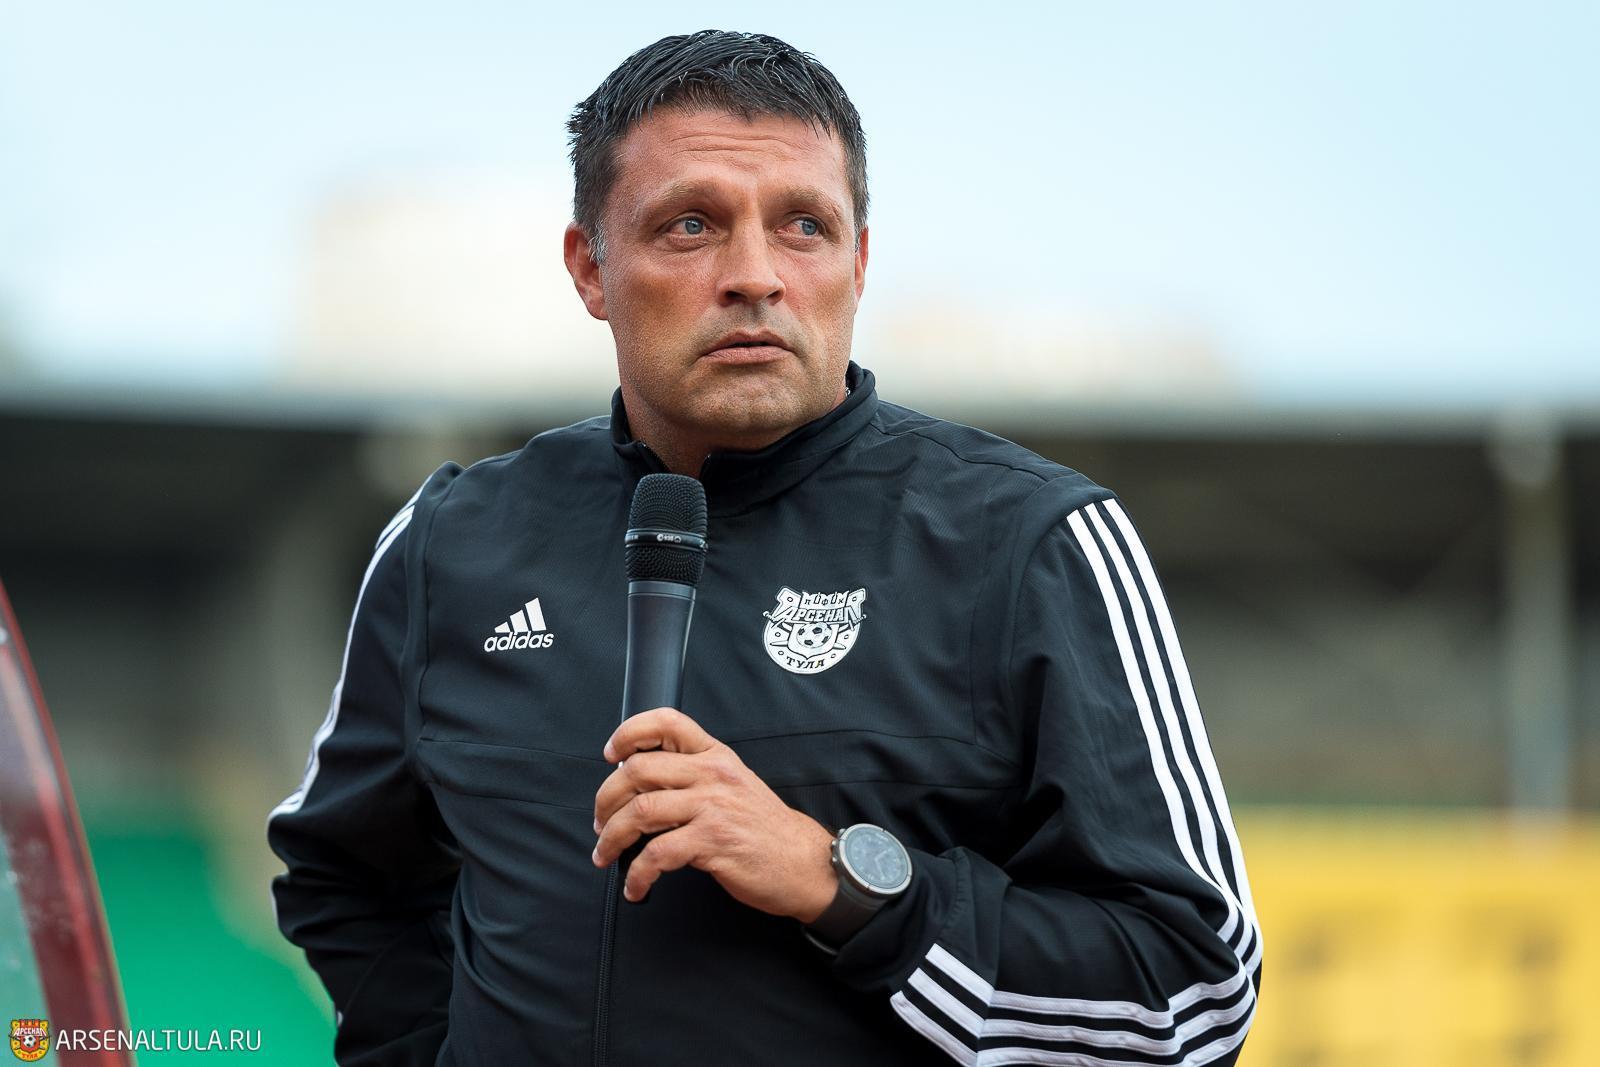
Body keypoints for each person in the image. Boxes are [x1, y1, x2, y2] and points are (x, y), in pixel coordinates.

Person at [268, 29, 1261, 1066]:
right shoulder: (451, 540)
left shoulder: (1031, 539)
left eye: (803, 226)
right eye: (690, 224)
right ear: (590, 267)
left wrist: (845, 885)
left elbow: (1195, 991)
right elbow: (345, 876)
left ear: (858, 263)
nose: (754, 276)